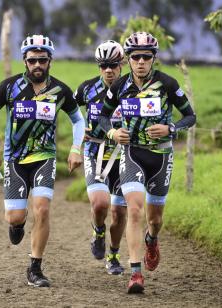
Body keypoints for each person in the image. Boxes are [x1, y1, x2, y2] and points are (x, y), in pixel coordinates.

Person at [0, 34, 85, 288]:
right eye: (32, 60)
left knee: (43, 209)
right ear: (24, 61)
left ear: (50, 61)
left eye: (42, 60)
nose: (37, 65)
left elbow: (78, 120)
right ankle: (17, 224)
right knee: (15, 217)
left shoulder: (60, 90)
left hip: (45, 158)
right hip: (15, 159)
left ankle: (35, 268)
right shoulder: (9, 87)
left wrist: (75, 149)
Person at [98, 32, 196, 293]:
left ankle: (152, 240)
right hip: (132, 154)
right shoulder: (118, 86)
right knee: (134, 211)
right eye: (135, 57)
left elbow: (190, 116)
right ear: (128, 59)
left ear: (154, 59)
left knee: (154, 219)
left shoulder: (167, 83)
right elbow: (103, 117)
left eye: (146, 57)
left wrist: (171, 129)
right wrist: (112, 133)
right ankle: (135, 273)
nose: (140, 62)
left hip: (161, 156)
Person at [74, 40, 127, 275]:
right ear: (98, 67)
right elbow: (68, 109)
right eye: (104, 65)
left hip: (125, 155)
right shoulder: (86, 89)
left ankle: (113, 256)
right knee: (100, 204)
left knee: (119, 212)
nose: (109, 70)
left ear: (121, 65)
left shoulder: (132, 89)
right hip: (95, 152)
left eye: (113, 65)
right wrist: (78, 129)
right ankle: (98, 232)